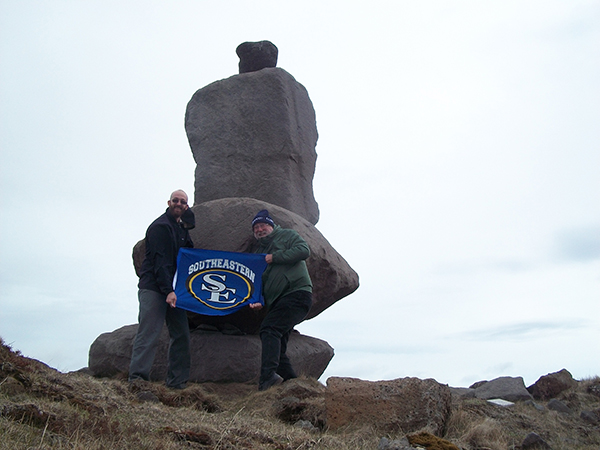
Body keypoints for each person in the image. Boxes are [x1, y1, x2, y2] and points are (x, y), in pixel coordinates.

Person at [129, 190, 194, 389]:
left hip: (174, 290)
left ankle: (177, 382)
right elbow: (161, 262)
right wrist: (168, 291)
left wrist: (189, 223)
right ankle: (137, 380)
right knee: (149, 333)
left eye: (183, 202)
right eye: (176, 200)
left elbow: (189, 254)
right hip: (155, 288)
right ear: (168, 202)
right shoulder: (160, 227)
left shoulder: (180, 228)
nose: (179, 204)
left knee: (181, 334)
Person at [249, 209, 313, 391]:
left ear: (271, 225)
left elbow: (303, 250)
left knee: (269, 329)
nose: (260, 229)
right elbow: (257, 280)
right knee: (278, 344)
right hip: (277, 301)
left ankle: (267, 378)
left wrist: (275, 257)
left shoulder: (287, 235)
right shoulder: (259, 252)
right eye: (256, 228)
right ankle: (292, 383)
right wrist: (259, 300)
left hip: (296, 293)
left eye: (263, 225)